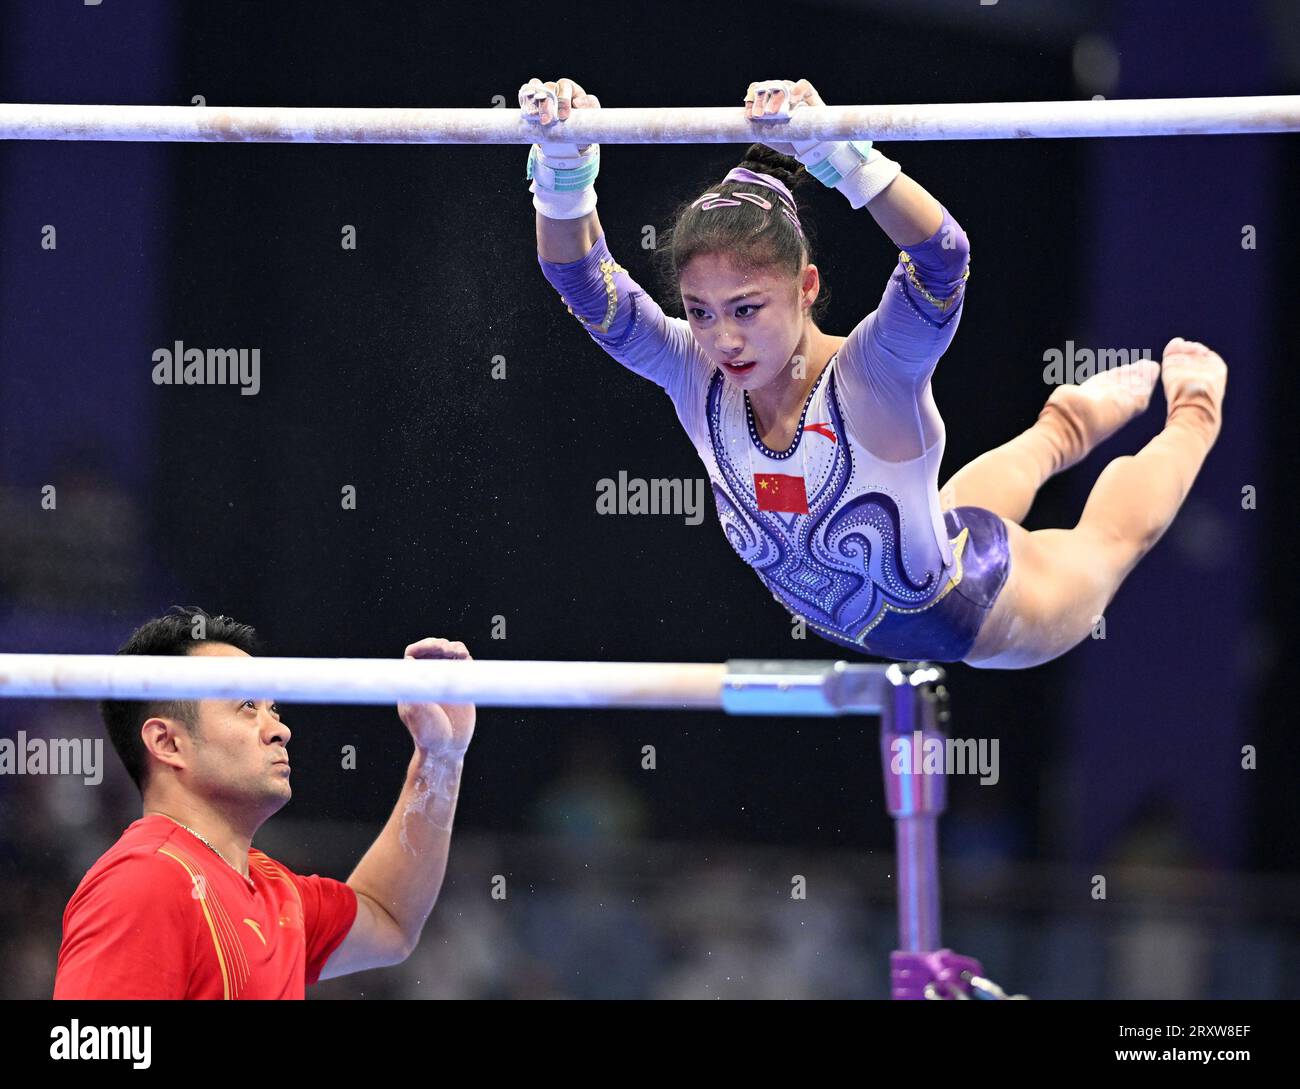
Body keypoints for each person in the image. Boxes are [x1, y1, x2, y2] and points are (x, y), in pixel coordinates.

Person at [522, 76, 1226, 669]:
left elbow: (941, 260)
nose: (722, 338)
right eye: (700, 312)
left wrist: (845, 159)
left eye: (746, 307)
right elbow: (584, 283)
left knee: (1108, 543)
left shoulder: (872, 376)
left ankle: (1196, 411)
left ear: (806, 287)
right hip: (930, 545)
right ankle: (1063, 423)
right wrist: (563, 172)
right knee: (960, 511)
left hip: (978, 614)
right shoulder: (691, 371)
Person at [53, 607, 474, 999]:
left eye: (274, 709)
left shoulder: (273, 890)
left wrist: (440, 757)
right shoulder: (146, 882)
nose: (280, 730)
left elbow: (389, 919)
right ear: (167, 742)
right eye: (247, 706)